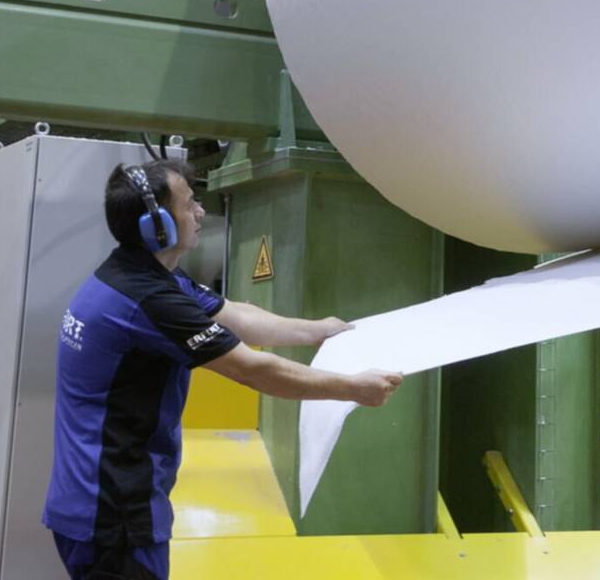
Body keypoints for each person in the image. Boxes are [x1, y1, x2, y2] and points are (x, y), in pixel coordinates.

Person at [42, 157, 402, 580]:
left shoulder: (139, 275)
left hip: (93, 501)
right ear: (158, 227)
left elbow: (238, 316)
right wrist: (353, 389)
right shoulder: (149, 300)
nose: (200, 212)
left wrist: (319, 331)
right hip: (113, 513)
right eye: (189, 204)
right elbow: (253, 370)